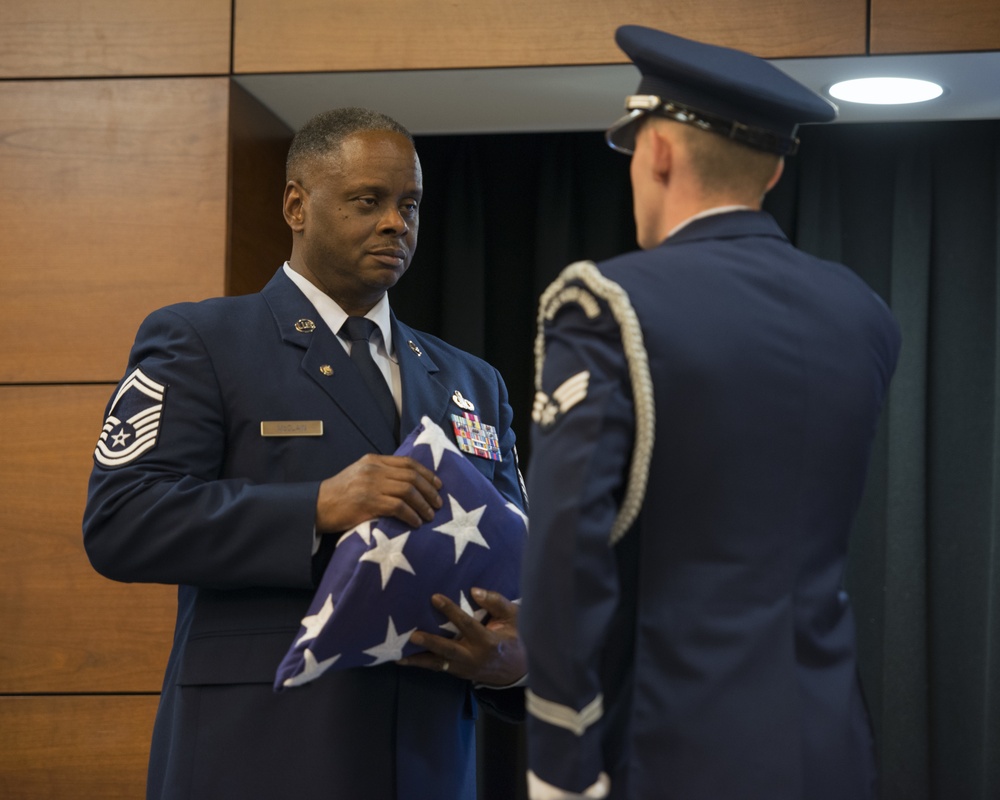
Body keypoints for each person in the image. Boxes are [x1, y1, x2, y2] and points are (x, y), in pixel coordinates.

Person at [83, 107, 527, 800]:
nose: (396, 223)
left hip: (430, 759)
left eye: (409, 204)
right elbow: (121, 518)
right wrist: (318, 505)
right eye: (367, 201)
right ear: (297, 204)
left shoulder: (473, 381)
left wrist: (517, 660)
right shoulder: (201, 341)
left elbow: (517, 559)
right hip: (262, 748)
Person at [520, 25, 900, 800]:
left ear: (657, 151)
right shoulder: (861, 313)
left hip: (671, 749)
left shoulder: (608, 305)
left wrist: (561, 767)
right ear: (774, 169)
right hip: (829, 747)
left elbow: (566, 555)